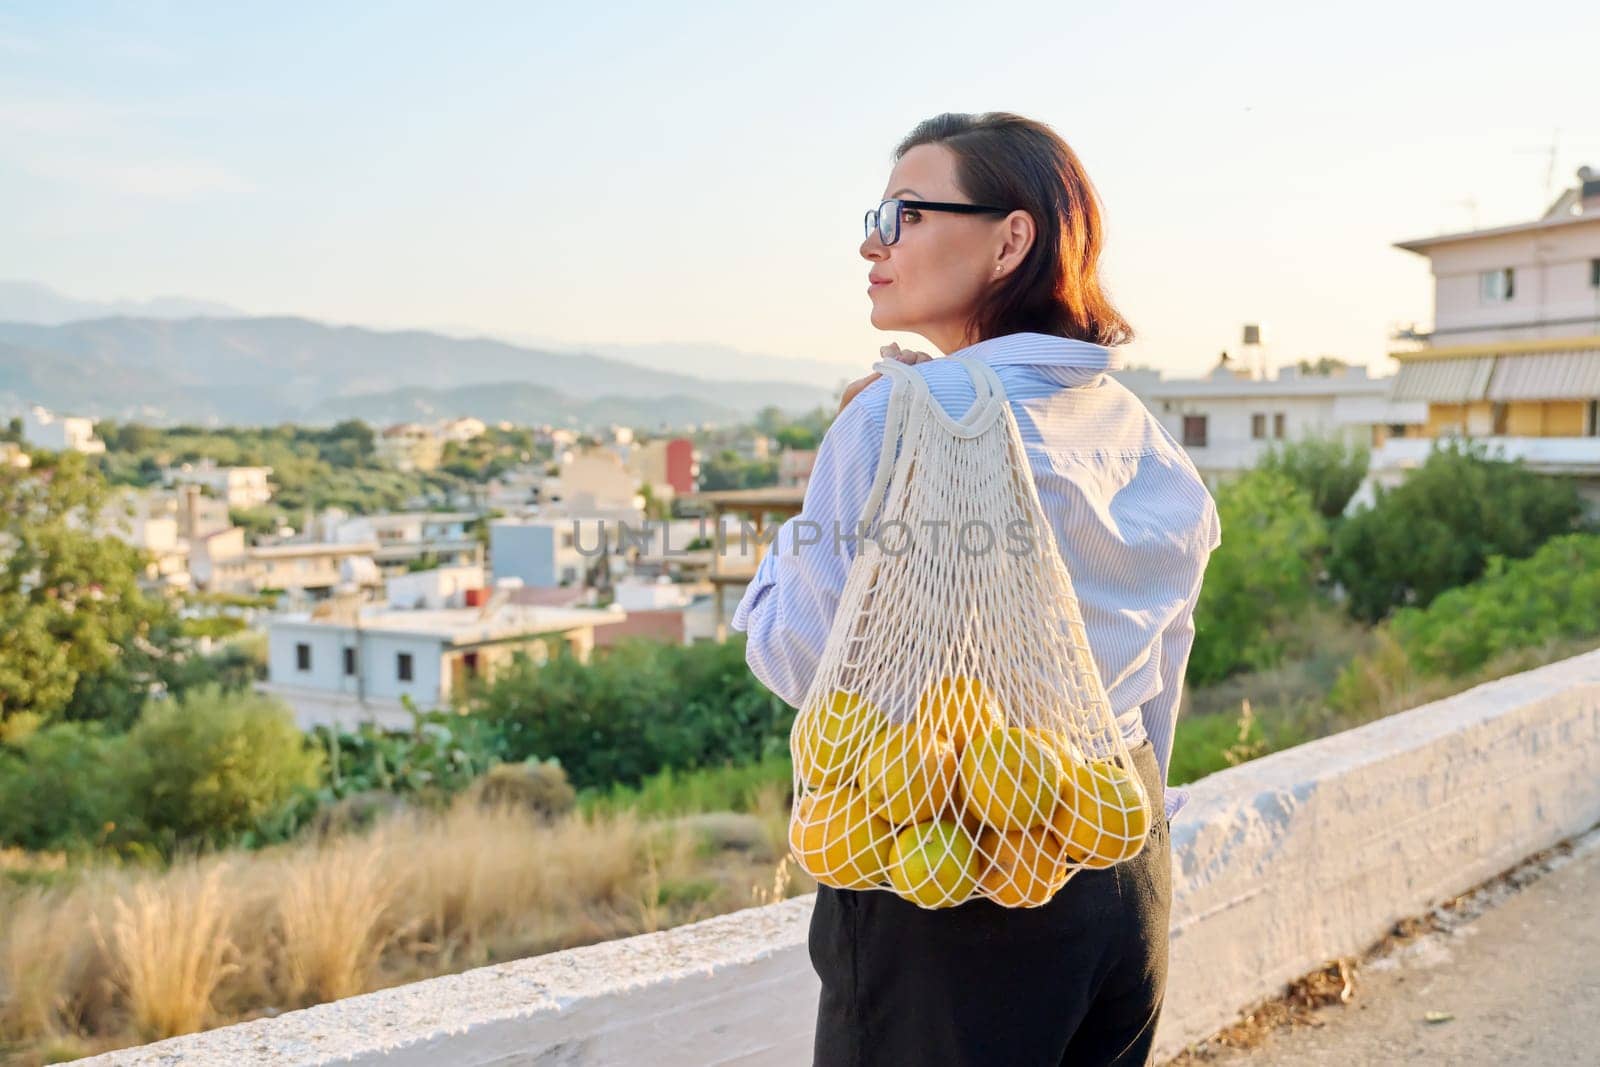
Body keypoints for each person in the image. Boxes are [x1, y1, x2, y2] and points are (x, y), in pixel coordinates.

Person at [730, 112, 1221, 1067]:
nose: (872, 241)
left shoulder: (898, 421)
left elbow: (798, 656)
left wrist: (820, 491)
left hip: (952, 883)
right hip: (1117, 861)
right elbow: (1163, 661)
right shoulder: (1132, 426)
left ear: (1011, 238)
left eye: (907, 213)